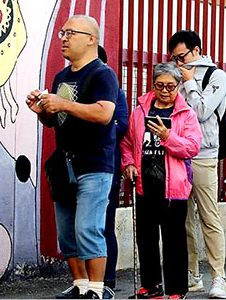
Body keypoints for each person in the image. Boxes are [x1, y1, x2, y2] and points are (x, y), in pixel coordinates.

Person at [27, 15, 118, 299]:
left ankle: (98, 289)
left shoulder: (103, 74)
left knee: (87, 228)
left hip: (94, 163)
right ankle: (80, 285)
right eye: (62, 33)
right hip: (64, 163)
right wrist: (42, 110)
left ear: (91, 39)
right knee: (67, 232)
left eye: (70, 33)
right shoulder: (61, 76)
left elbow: (104, 113)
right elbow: (57, 121)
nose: (64, 38)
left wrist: (63, 102)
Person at [120, 62, 202, 300]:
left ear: (178, 86)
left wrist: (168, 137)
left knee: (174, 240)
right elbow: (127, 143)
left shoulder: (186, 114)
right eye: (160, 85)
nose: (165, 91)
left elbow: (192, 147)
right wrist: (129, 164)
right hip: (145, 184)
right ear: (153, 85)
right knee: (146, 238)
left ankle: (177, 290)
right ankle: (151, 286)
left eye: (170, 86)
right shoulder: (140, 111)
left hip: (173, 187)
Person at [168, 30, 226, 298]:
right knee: (183, 219)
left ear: (196, 50)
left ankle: (219, 277)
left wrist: (190, 83)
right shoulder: (176, 77)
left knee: (208, 216)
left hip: (204, 154)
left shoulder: (216, 75)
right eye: (174, 58)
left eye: (181, 56)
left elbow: (203, 111)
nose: (178, 63)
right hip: (178, 153)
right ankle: (192, 275)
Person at [97, 46, 129, 290]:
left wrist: (95, 119)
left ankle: (107, 279)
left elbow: (121, 126)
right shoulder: (70, 90)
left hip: (107, 165)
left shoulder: (117, 94)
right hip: (76, 166)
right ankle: (83, 280)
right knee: (80, 226)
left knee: (105, 224)